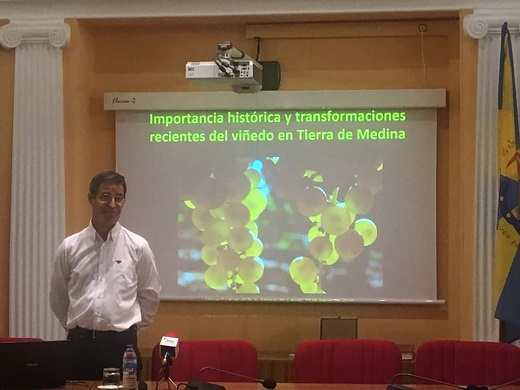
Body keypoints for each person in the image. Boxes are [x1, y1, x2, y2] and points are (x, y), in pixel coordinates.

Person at [49, 170, 161, 379]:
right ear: (90, 198)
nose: (112, 204)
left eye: (118, 198)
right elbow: (58, 298)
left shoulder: (138, 246)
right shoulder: (69, 247)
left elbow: (150, 296)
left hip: (121, 346)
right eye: (105, 197)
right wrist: (78, 326)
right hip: (79, 346)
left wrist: (128, 329)